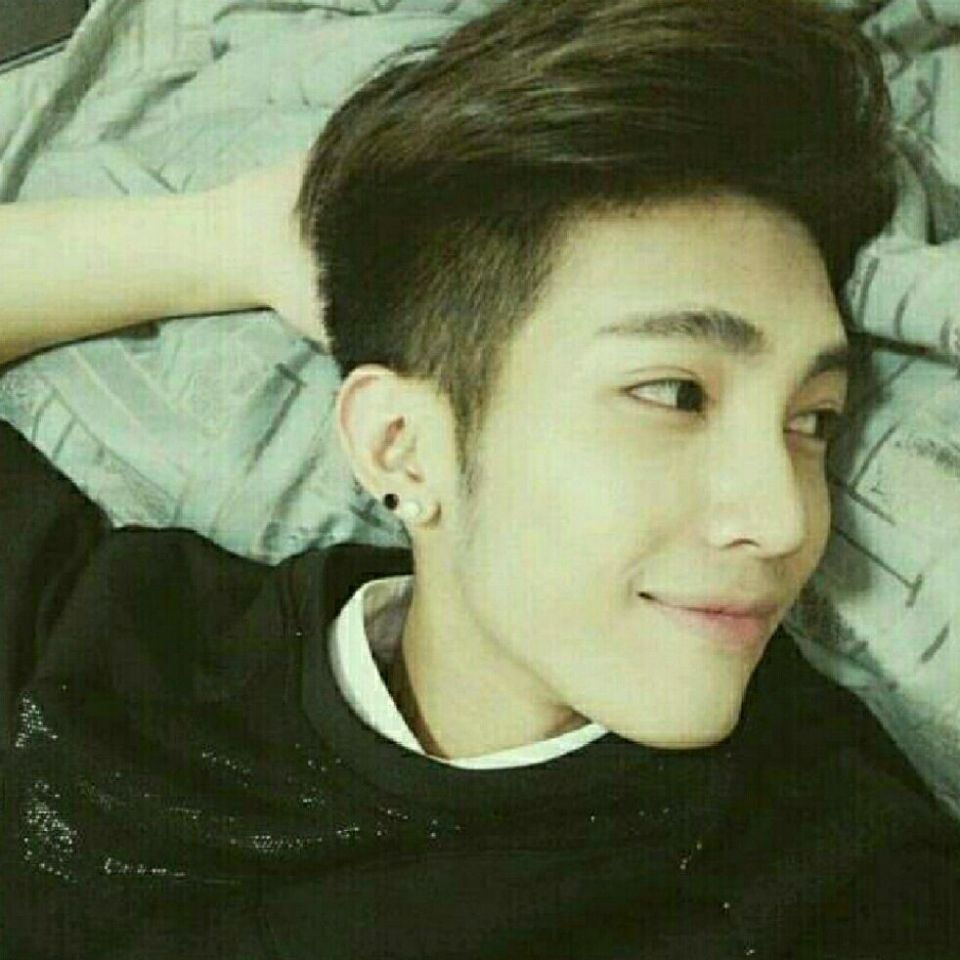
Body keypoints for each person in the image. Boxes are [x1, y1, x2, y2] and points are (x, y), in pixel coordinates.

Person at [2, 0, 959, 957]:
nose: (785, 518)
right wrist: (234, 241)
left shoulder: (842, 877)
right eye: (675, 393)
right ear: (400, 448)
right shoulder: (122, 645)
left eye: (812, 421)